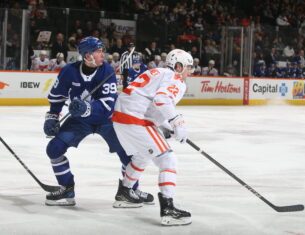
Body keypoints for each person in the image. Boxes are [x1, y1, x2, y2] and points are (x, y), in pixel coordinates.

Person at [43, 36, 153, 206]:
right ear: (87, 55)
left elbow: (108, 106)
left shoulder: (107, 70)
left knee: (128, 155)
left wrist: (87, 108)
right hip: (80, 121)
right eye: (99, 51)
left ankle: (129, 190)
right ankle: (67, 189)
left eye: (102, 50)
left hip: (106, 120)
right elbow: (57, 98)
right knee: (54, 149)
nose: (103, 54)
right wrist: (52, 117)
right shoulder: (68, 71)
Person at [112, 49, 193, 226]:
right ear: (178, 66)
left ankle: (125, 192)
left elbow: (147, 100)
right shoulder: (176, 78)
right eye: (188, 67)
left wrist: (163, 125)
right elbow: (162, 100)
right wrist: (177, 122)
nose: (190, 72)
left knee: (143, 155)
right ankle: (168, 209)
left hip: (121, 117)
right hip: (135, 119)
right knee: (167, 159)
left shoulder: (155, 72)